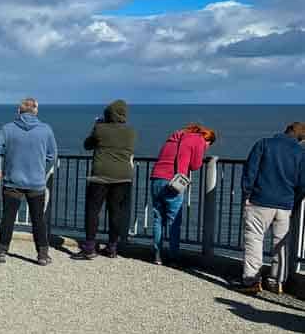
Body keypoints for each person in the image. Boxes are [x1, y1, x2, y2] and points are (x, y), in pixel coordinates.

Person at [232, 122, 305, 294]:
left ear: (285, 130)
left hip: (259, 201)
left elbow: (250, 171)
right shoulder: (301, 153)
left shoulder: (264, 144)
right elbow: (303, 184)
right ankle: (276, 282)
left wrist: (247, 194)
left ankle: (251, 281)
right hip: (285, 205)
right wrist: (294, 201)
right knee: (281, 244)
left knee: (254, 240)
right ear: (300, 139)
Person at [0, 98, 58, 265]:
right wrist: (41, 167)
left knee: (8, 218)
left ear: (19, 111)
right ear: (36, 111)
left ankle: (0, 252)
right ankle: (42, 255)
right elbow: (52, 155)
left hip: (12, 182)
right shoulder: (46, 130)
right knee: (38, 219)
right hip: (36, 183)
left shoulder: (8, 129)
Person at [72, 100, 137, 260]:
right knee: (116, 213)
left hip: (100, 176)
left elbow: (87, 145)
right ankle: (112, 247)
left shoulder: (100, 129)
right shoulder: (131, 132)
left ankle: (89, 248)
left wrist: (96, 126)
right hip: (123, 176)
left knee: (93, 211)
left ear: (108, 114)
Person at [149, 123, 217, 265]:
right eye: (208, 145)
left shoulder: (174, 137)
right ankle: (174, 256)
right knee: (174, 221)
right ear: (207, 139)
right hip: (173, 181)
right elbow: (195, 165)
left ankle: (157, 255)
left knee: (158, 218)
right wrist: (201, 149)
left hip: (156, 177)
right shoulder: (198, 140)